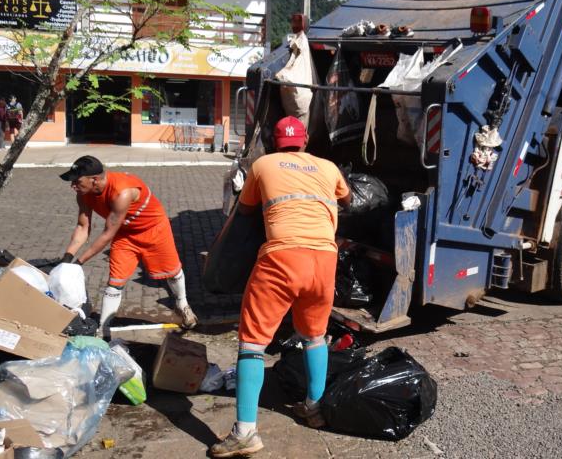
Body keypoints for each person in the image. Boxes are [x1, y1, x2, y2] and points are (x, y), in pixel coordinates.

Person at [211, 117, 351, 458]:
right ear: (305, 143)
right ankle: (314, 408)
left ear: (274, 143)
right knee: (314, 336)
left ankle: (245, 432)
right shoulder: (329, 166)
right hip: (324, 261)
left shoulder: (262, 164)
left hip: (282, 259)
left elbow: (244, 211)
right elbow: (347, 200)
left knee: (252, 343)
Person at [59, 155, 198, 334]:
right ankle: (104, 331)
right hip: (126, 234)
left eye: (77, 181)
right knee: (115, 282)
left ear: (94, 180)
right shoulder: (83, 194)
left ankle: (182, 304)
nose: (73, 186)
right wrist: (67, 258)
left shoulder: (121, 192)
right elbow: (82, 226)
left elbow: (107, 233)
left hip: (154, 229)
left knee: (172, 272)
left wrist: (79, 263)